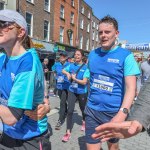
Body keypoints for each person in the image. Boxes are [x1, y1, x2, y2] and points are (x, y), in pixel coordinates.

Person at [84, 15, 140, 150]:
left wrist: (122, 113)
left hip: (113, 112)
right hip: (92, 111)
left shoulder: (126, 56)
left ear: (116, 33)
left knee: (113, 147)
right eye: (100, 32)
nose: (103, 35)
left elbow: (131, 88)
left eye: (107, 32)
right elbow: (90, 80)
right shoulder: (92, 54)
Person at [0, 9, 51, 149]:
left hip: (29, 137)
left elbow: (11, 117)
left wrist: (46, 104)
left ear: (20, 32)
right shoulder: (2, 58)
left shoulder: (28, 62)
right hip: (8, 133)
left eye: (3, 24)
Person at [91, 76, 150, 142]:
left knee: (113, 144)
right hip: (93, 107)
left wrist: (123, 113)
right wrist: (139, 117)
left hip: (116, 108)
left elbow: (130, 88)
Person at [62, 49, 90, 142]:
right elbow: (63, 70)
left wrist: (74, 79)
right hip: (72, 90)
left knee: (83, 109)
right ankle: (68, 132)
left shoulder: (86, 68)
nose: (76, 56)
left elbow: (84, 82)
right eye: (75, 55)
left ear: (82, 56)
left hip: (82, 91)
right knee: (70, 111)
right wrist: (67, 74)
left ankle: (84, 121)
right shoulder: (71, 65)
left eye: (78, 55)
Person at [54, 51, 70, 130]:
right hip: (59, 86)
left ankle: (60, 120)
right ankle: (65, 111)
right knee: (62, 101)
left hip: (66, 86)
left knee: (62, 102)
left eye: (63, 56)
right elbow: (54, 71)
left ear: (66, 58)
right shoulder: (57, 64)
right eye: (60, 56)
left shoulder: (69, 65)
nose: (61, 57)